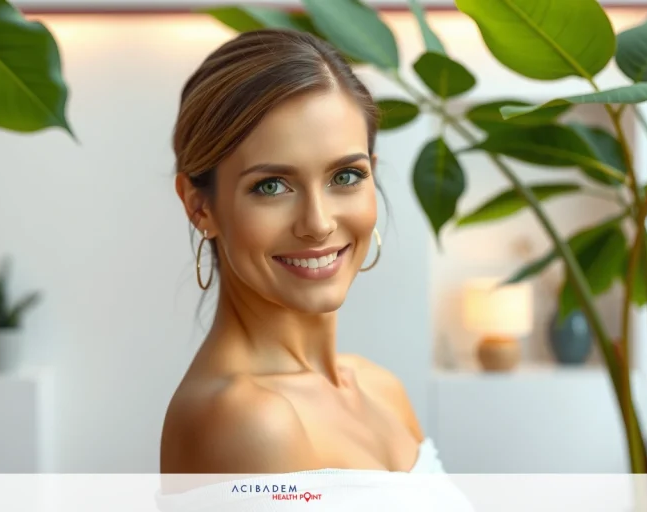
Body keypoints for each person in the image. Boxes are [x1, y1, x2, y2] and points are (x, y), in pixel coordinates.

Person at [160, 28, 446, 479]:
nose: (318, 223)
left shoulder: (380, 388)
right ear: (200, 207)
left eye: (346, 176)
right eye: (271, 186)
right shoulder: (246, 421)